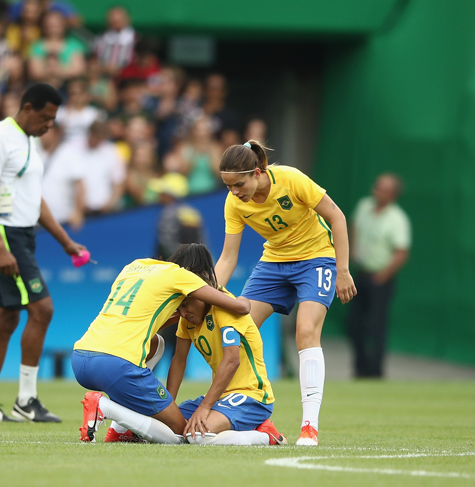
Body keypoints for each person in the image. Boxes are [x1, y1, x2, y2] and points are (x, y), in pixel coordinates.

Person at [214, 141, 357, 446]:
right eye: (228, 186)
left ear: (257, 172)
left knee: (305, 332)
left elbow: (338, 217)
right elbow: (227, 258)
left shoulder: (291, 179)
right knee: (238, 333)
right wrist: (207, 293)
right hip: (274, 263)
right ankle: (258, 420)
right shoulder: (234, 203)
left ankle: (309, 426)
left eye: (239, 184)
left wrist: (342, 270)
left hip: (316, 258)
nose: (235, 192)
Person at [0, 82, 87, 423]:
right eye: (46, 117)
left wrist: (65, 241)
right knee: (42, 309)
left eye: (54, 119)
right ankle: (26, 400)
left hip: (21, 235)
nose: (50, 125)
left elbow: (35, 199)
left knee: (5, 320)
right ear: (28, 108)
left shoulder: (29, 143)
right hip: (4, 236)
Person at [72, 244, 251, 444]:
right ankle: (104, 407)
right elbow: (242, 307)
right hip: (116, 364)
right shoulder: (180, 275)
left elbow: (144, 321)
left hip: (81, 358)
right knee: (181, 433)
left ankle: (120, 429)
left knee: (157, 343)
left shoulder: (135, 266)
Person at [166, 244, 286, 446]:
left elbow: (232, 360)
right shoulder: (186, 319)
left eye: (185, 305)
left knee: (196, 437)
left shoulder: (225, 308)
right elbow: (179, 360)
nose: (182, 313)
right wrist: (167, 406)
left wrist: (205, 407)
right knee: (168, 425)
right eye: (179, 306)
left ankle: (267, 435)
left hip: (251, 396)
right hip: (222, 399)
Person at [347, 174, 411, 378]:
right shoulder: (364, 206)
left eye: (382, 188)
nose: (377, 191)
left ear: (392, 195)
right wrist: (352, 254)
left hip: (380, 279)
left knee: (376, 325)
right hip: (360, 273)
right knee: (354, 324)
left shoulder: (397, 219)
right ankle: (360, 367)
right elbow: (354, 227)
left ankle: (375, 371)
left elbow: (401, 252)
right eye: (377, 186)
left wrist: (383, 275)